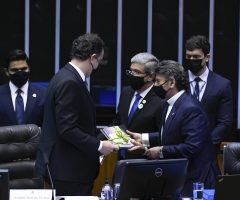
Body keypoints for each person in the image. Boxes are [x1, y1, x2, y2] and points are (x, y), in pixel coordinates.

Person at [35, 33, 118, 196]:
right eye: (99, 61)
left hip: (65, 168)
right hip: (68, 171)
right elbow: (67, 129)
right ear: (93, 58)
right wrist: (100, 146)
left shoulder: (63, 75)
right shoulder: (70, 82)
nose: (98, 66)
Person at [128, 60, 219, 197]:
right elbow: (170, 132)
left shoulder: (191, 108)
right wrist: (144, 138)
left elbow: (192, 147)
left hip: (196, 179)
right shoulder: (168, 103)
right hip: (179, 176)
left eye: (158, 82)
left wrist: (161, 151)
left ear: (171, 83)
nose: (155, 86)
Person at [183, 35, 233, 152]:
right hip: (180, 147)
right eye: (188, 56)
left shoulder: (222, 85)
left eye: (196, 57)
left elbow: (225, 122)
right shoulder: (177, 81)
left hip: (208, 149)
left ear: (207, 57)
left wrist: (206, 143)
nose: (191, 60)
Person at [113, 52, 164, 159]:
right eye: (131, 70)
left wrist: (144, 144)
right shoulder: (126, 92)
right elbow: (119, 121)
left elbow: (164, 134)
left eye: (136, 72)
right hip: (120, 159)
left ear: (150, 76)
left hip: (145, 161)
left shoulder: (161, 100)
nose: (132, 75)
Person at [0, 49, 46, 126]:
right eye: (14, 70)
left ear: (29, 68)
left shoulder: (43, 94)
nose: (20, 72)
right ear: (6, 72)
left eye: (24, 69)